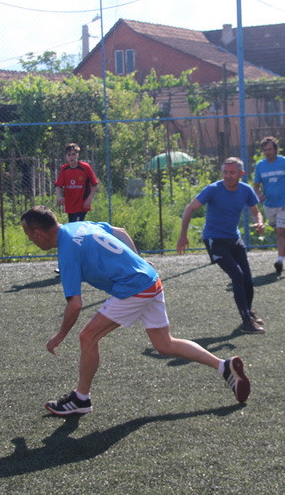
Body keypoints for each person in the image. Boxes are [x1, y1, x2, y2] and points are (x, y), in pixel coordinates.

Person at [20, 205, 250, 415]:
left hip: (134, 288)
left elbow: (75, 304)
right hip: (150, 278)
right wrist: (139, 260)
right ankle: (224, 366)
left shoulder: (67, 251)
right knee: (165, 344)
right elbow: (120, 232)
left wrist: (59, 336)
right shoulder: (80, 225)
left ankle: (81, 399)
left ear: (37, 233)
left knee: (88, 336)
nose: (30, 240)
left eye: (28, 235)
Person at [177, 157, 265, 334]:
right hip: (214, 240)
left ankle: (248, 312)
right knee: (237, 276)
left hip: (234, 239)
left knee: (248, 280)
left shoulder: (246, 190)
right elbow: (190, 208)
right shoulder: (213, 189)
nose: (227, 176)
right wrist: (183, 235)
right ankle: (246, 322)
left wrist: (259, 222)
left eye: (232, 172)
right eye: (225, 172)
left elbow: (256, 212)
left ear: (241, 174)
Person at [252, 136, 285, 274]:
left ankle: (279, 261)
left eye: (270, 149)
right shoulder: (260, 166)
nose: (267, 152)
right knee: (280, 233)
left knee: (280, 231)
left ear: (275, 150)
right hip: (269, 205)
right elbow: (256, 186)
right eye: (265, 150)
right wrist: (259, 195)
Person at [54, 143, 99, 223]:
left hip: (82, 205)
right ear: (66, 156)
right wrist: (59, 197)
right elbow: (58, 185)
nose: (71, 157)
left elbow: (95, 184)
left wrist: (89, 199)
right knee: (72, 226)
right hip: (70, 205)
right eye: (69, 155)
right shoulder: (64, 169)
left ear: (77, 155)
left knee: (76, 225)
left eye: (73, 154)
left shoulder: (85, 167)